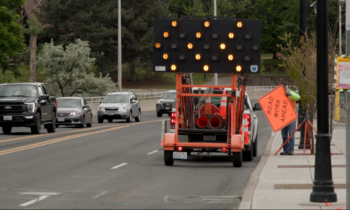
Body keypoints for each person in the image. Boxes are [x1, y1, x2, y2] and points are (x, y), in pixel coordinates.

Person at [280, 82, 300, 155]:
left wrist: (290, 94)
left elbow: (298, 97)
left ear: (285, 88)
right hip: (283, 117)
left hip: (291, 117)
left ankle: (291, 150)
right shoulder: (279, 95)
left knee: (291, 134)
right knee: (284, 135)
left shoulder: (290, 93)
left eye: (282, 87)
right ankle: (285, 150)